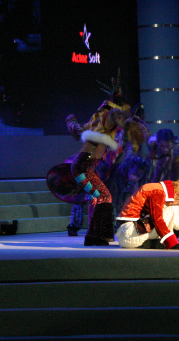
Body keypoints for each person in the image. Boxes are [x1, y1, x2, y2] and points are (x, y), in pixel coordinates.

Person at [65, 78, 149, 246]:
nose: (127, 114)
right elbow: (116, 114)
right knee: (104, 196)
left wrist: (116, 97)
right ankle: (99, 235)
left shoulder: (100, 118)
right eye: (125, 110)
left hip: (86, 166)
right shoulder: (111, 115)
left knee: (96, 198)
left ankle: (92, 236)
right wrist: (133, 121)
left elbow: (105, 109)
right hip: (84, 166)